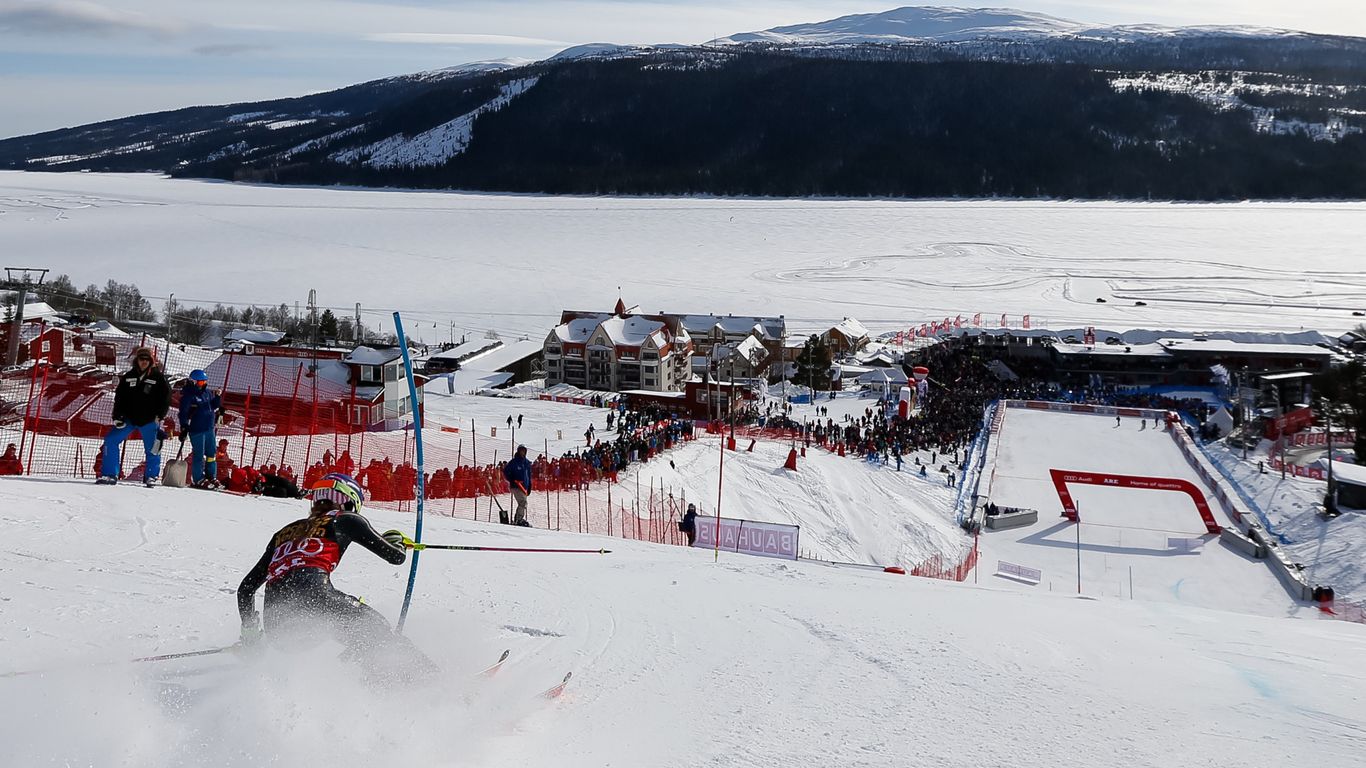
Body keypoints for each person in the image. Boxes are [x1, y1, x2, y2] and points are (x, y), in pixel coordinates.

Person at [236, 473, 433, 675]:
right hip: (316, 599)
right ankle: (425, 679)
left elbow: (246, 589)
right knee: (375, 626)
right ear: (350, 502)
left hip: (277, 627)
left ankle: (373, 678)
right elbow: (396, 557)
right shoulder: (345, 519)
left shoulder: (283, 534)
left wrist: (250, 634)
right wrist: (397, 539)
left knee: (355, 635)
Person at [97, 347, 171, 486]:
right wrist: (117, 416)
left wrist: (159, 416)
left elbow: (166, 399)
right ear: (136, 360)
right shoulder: (128, 376)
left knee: (154, 448)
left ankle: (151, 476)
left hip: (149, 420)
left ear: (152, 361)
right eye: (141, 359)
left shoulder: (158, 378)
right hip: (129, 419)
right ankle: (110, 474)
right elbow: (120, 397)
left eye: (147, 359)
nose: (144, 362)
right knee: (110, 440)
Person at [178, 369, 222, 488]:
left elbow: (212, 406)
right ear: (193, 382)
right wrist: (184, 426)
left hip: (209, 428)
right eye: (200, 382)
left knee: (211, 454)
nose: (203, 385)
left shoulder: (207, 393)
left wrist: (217, 398)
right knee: (199, 454)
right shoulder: (189, 396)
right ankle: (198, 478)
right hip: (197, 430)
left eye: (204, 382)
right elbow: (183, 413)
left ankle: (211, 476)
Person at [503, 444, 532, 526]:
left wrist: (530, 486)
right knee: (523, 502)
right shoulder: (514, 462)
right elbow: (506, 471)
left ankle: (518, 519)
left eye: (524, 451)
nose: (522, 452)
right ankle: (519, 519)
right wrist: (511, 479)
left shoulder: (527, 463)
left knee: (522, 503)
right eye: (521, 450)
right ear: (518, 451)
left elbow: (529, 475)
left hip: (524, 487)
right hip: (516, 485)